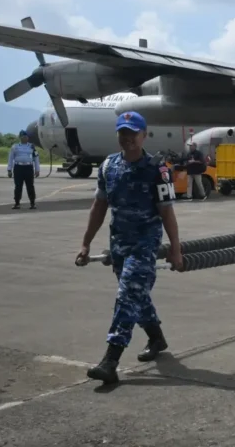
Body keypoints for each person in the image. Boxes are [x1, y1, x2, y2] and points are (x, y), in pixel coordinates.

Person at [75, 111, 183, 384]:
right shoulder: (108, 166)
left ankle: (110, 360)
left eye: (133, 133)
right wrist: (86, 243)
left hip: (145, 244)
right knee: (136, 296)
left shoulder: (157, 170)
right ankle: (157, 338)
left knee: (127, 294)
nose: (127, 138)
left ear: (143, 135)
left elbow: (167, 212)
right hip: (119, 244)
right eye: (123, 132)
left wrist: (175, 248)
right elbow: (99, 207)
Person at [7, 129, 40, 209]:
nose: (25, 138)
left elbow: (36, 158)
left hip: (28, 168)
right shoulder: (15, 147)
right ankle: (17, 203)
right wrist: (9, 169)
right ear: (20, 138)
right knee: (18, 186)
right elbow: (10, 158)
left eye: (26, 136)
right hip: (18, 168)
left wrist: (37, 169)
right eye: (23, 137)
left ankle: (32, 203)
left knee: (30, 186)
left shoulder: (32, 146)